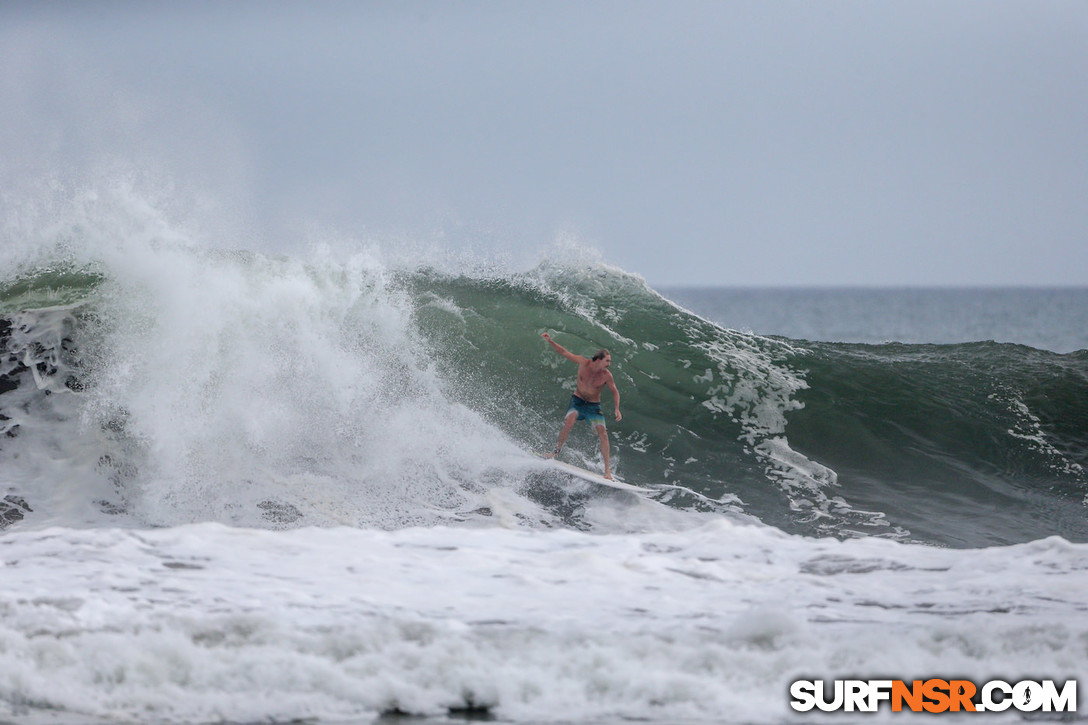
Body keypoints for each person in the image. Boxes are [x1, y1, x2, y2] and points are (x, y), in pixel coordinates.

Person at [541, 332, 622, 479]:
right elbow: (564, 352)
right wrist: (550, 341)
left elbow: (615, 392)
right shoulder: (583, 363)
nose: (609, 364)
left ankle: (607, 471)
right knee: (569, 422)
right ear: (598, 360)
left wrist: (617, 408)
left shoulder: (607, 375)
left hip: (593, 406)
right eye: (607, 361)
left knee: (603, 432)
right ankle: (554, 453)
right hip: (577, 401)